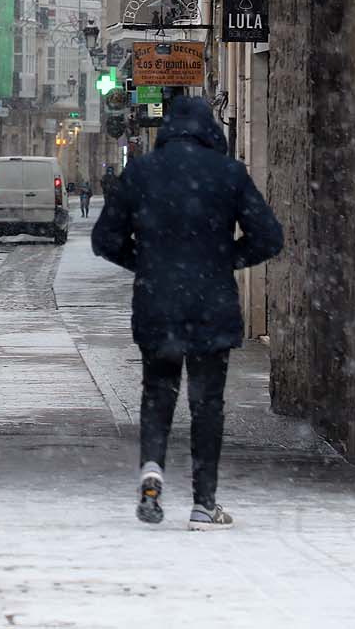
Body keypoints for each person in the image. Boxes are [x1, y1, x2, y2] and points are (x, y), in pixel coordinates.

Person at [90, 96, 282, 530]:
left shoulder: (140, 173)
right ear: (208, 128)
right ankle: (204, 502)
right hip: (211, 305)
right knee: (207, 403)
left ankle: (152, 469)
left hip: (157, 301)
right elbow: (269, 237)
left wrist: (146, 262)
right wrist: (223, 258)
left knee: (157, 393)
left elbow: (104, 239)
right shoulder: (228, 174)